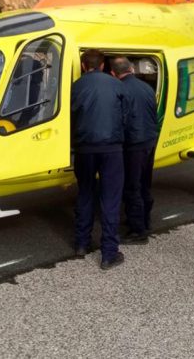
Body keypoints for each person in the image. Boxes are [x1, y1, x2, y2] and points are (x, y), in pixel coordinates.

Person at [71, 49, 128, 270]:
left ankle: (81, 244)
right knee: (110, 199)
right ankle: (108, 254)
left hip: (84, 148)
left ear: (84, 66)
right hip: (111, 149)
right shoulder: (116, 85)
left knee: (85, 193)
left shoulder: (75, 87)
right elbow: (126, 117)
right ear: (103, 65)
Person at [110, 56, 159, 244]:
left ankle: (138, 231)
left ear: (114, 73)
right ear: (131, 68)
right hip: (149, 140)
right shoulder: (146, 87)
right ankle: (146, 221)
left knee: (132, 186)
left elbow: (120, 119)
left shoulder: (120, 89)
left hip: (133, 144)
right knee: (145, 183)